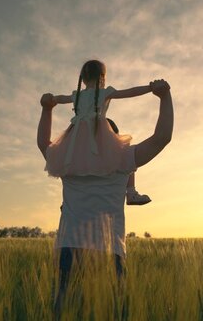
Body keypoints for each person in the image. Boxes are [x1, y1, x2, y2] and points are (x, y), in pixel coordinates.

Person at [37, 60, 173, 319]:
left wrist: (46, 109)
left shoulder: (66, 160)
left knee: (62, 312)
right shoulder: (123, 160)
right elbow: (162, 137)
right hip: (108, 252)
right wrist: (163, 96)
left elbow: (43, 142)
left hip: (68, 247)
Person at [45, 59, 152, 205]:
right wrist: (150, 87)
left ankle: (68, 202)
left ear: (82, 79)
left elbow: (60, 99)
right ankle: (131, 192)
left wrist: (50, 100)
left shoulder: (77, 95)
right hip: (98, 132)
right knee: (123, 153)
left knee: (73, 162)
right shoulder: (104, 92)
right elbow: (129, 92)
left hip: (75, 136)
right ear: (102, 77)